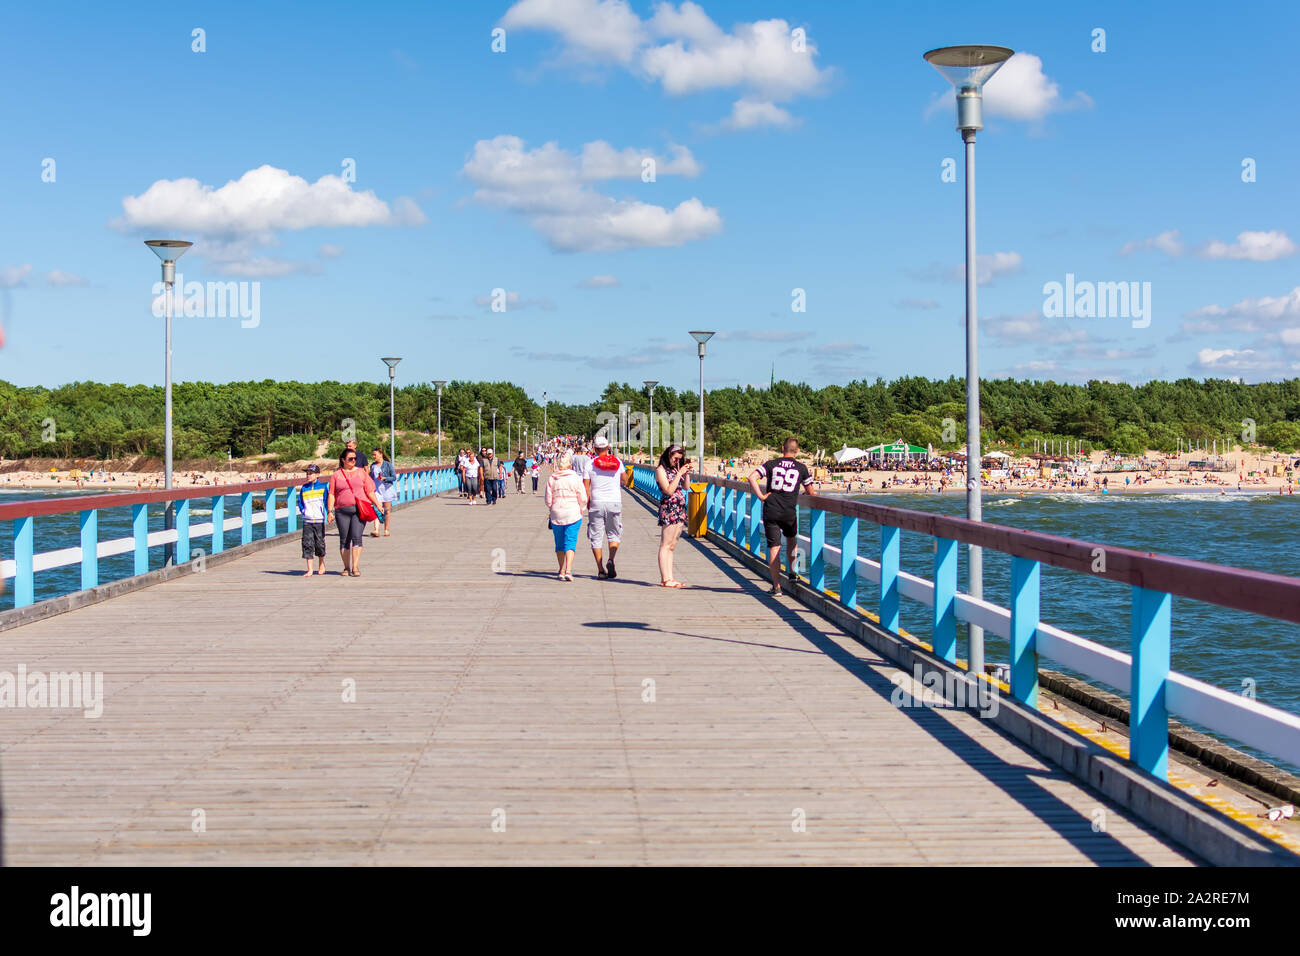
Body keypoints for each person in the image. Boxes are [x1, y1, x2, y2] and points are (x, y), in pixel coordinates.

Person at [750, 436, 814, 596]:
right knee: (792, 541)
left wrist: (761, 496)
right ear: (797, 451)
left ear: (782, 448)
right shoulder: (801, 467)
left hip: (771, 509)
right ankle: (793, 573)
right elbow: (811, 491)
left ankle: (777, 587)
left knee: (774, 547)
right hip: (789, 511)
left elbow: (752, 477)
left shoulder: (771, 464)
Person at [328, 448, 384, 576]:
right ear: (343, 460)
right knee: (344, 539)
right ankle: (346, 567)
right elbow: (331, 494)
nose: (353, 461)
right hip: (341, 510)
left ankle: (355, 567)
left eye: (354, 459)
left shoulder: (361, 473)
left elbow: (369, 491)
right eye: (350, 459)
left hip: (359, 510)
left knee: (357, 536)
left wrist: (377, 504)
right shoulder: (337, 475)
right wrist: (330, 511)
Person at [583, 435, 624, 579]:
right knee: (614, 533)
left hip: (597, 502)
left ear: (594, 449)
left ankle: (600, 570)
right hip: (614, 502)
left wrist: (586, 503)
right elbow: (625, 480)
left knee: (596, 536)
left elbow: (586, 487)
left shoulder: (589, 464)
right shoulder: (617, 462)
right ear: (608, 448)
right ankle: (611, 559)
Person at [545, 449, 587, 581]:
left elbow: (548, 499)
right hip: (573, 512)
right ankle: (568, 570)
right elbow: (583, 497)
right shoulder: (575, 478)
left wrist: (552, 507)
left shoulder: (553, 478)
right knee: (570, 541)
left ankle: (561, 570)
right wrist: (582, 508)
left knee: (559, 543)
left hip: (557, 513)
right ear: (571, 464)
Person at [655, 444, 691, 588]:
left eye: (679, 459)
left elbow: (686, 487)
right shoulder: (660, 470)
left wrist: (686, 473)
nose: (677, 462)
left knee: (672, 545)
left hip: (679, 509)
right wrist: (679, 474)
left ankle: (670, 578)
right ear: (668, 455)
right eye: (675, 458)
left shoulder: (675, 469)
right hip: (669, 508)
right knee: (665, 544)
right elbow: (668, 490)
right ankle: (665, 578)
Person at [298, 463, 330, 576]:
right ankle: (310, 569)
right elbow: (300, 502)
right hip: (307, 520)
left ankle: (321, 564)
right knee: (307, 543)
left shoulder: (323, 487)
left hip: (319, 520)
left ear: (317, 475)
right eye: (307, 473)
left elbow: (327, 502)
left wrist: (329, 513)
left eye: (311, 473)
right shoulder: (304, 488)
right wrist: (303, 511)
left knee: (319, 543)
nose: (308, 475)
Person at [369, 447, 398, 536]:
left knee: (387, 510)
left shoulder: (388, 465)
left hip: (387, 489)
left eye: (375, 454)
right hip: (377, 490)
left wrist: (385, 478)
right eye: (373, 455)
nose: (374, 456)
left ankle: (386, 529)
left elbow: (394, 477)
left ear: (381, 454)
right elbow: (371, 477)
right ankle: (376, 530)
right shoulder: (373, 465)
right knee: (377, 509)